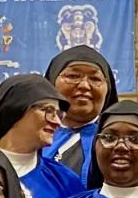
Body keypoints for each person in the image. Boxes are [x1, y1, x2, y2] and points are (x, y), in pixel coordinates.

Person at [0, 73, 82, 198]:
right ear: (16, 109)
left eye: (59, 114)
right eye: (48, 110)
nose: (57, 121)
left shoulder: (65, 181)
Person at [46, 44, 114, 182]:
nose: (84, 85)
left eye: (95, 79)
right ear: (51, 83)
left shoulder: (117, 142)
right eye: (72, 76)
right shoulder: (31, 138)